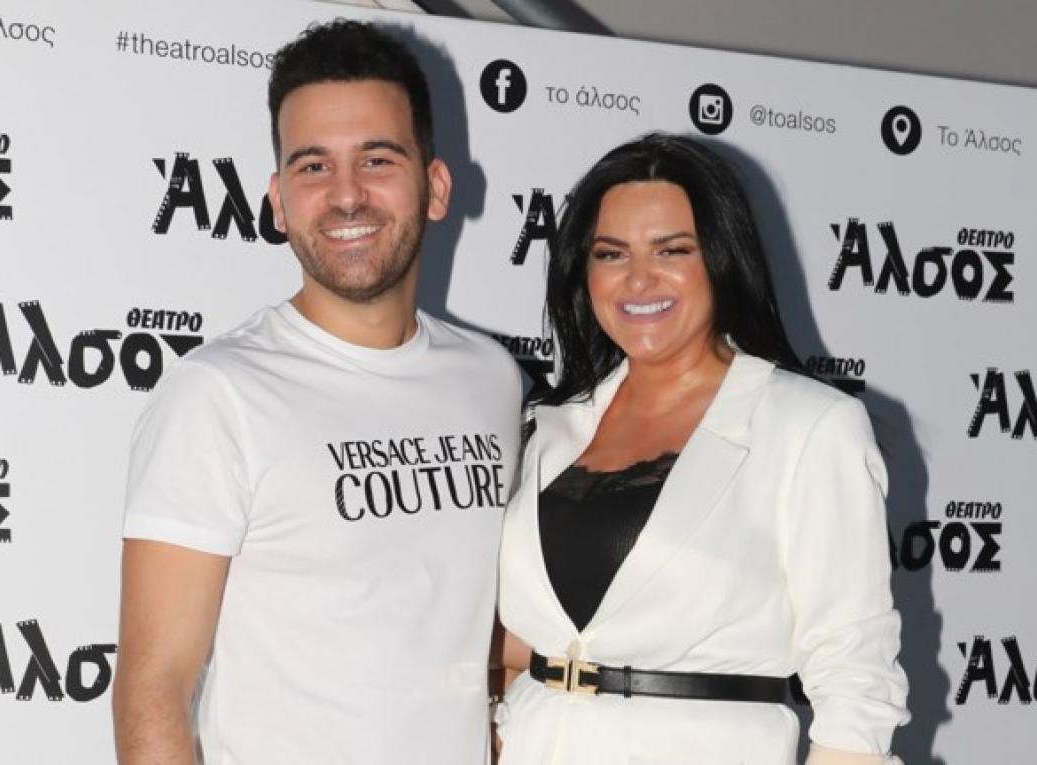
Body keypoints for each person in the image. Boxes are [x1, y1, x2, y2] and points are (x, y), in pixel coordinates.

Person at [113, 20, 522, 765]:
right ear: (278, 201)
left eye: (377, 159)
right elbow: (154, 688)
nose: (346, 195)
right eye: (313, 167)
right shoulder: (219, 396)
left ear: (435, 186)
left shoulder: (490, 378)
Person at [495, 133, 908, 765]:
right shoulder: (544, 425)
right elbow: (526, 637)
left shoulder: (809, 425)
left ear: (721, 259)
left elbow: (856, 677)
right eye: (611, 253)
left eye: (672, 250)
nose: (638, 278)